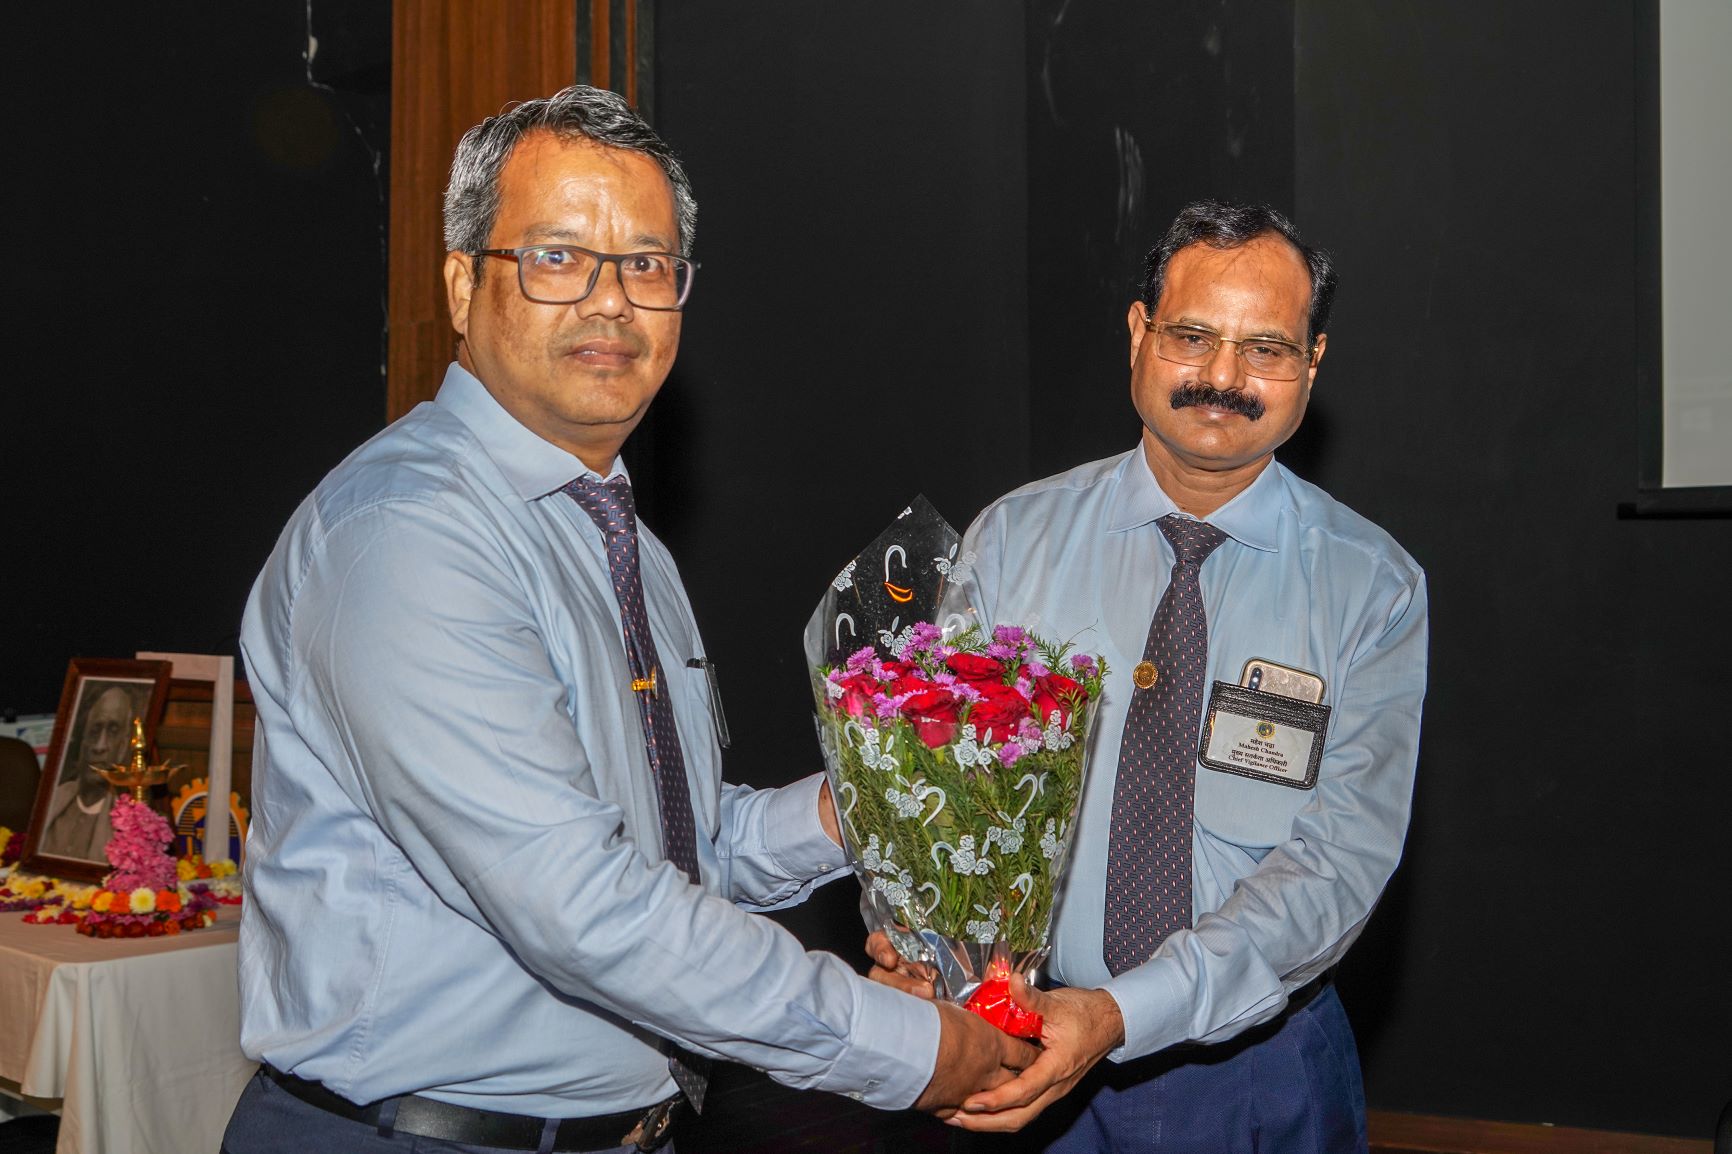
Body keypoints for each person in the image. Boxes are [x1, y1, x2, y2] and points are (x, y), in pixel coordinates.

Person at [223, 85, 1033, 1154]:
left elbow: (676, 847)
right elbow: (582, 903)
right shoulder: (405, 536)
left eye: (647, 264)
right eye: (558, 257)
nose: (612, 302)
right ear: (463, 287)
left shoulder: (621, 538)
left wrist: (878, 801)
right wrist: (910, 1047)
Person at [870, 200, 1428, 1152]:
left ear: (1314, 363)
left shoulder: (1372, 586)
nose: (1223, 377)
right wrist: (919, 943)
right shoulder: (1011, 541)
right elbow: (932, 789)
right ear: (1139, 333)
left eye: (1266, 348)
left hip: (1261, 1069)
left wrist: (1123, 1013)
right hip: (1018, 1041)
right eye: (1192, 337)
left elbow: (1339, 866)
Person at [38, 682, 136, 860]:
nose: (99, 746)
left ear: (123, 747)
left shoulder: (131, 819)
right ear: (81, 742)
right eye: (94, 731)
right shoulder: (54, 801)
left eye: (113, 732)